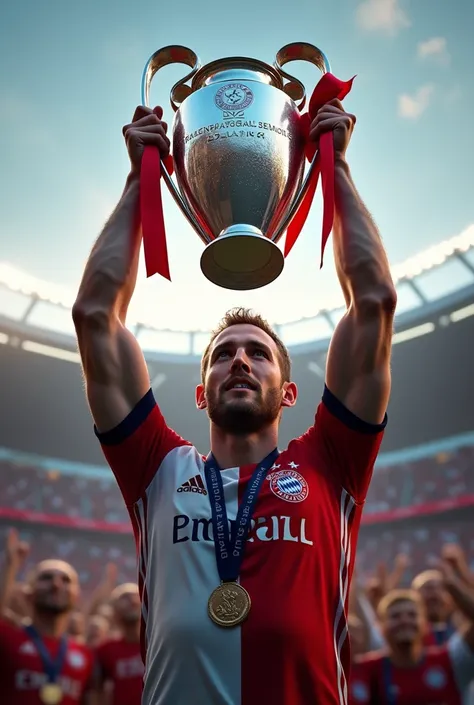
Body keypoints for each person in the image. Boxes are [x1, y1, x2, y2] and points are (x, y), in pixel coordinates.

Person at [72, 98, 397, 705]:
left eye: (258, 354)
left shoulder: (332, 459)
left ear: (290, 392)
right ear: (201, 394)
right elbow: (95, 316)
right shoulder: (156, 469)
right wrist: (138, 175)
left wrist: (338, 168)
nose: (240, 360)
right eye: (223, 354)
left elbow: (373, 303)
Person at [0, 529, 94, 704]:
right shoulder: (7, 638)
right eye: (46, 578)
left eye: (66, 580)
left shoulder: (86, 655)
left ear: (77, 596)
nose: (56, 584)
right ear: (29, 593)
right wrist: (9, 567)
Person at [349, 581, 474, 705]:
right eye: (395, 616)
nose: (404, 620)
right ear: (381, 628)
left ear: (425, 625)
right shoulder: (367, 669)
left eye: (412, 615)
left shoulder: (450, 662)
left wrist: (451, 583)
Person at [93, 583, 143, 705]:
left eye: (137, 596)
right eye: (125, 598)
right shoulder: (104, 650)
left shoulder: (161, 645)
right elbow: (96, 691)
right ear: (114, 612)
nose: (132, 600)